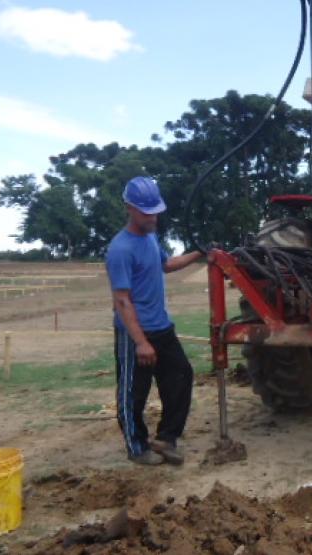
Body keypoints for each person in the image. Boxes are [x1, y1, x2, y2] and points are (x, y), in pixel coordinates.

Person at [106, 176, 202, 466]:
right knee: (133, 394)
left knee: (181, 376)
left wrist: (200, 252)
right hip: (136, 333)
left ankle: (166, 438)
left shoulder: (150, 237)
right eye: (147, 212)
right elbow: (122, 301)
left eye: (156, 210)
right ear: (129, 208)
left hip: (162, 327)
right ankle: (137, 447)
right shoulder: (120, 250)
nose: (153, 216)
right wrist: (141, 342)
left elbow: (166, 264)